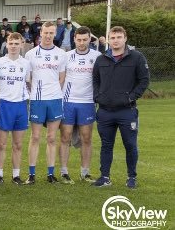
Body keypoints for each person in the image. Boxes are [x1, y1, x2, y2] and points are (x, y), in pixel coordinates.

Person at [91, 26, 149, 189]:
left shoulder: (137, 57)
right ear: (108, 39)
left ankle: (131, 177)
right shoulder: (101, 59)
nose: (115, 40)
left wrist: (130, 97)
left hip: (127, 111)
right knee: (106, 145)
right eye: (113, 37)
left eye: (119, 37)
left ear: (125, 38)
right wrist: (98, 96)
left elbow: (144, 81)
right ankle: (104, 177)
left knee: (130, 145)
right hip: (105, 111)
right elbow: (95, 79)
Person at [24, 21, 66, 184]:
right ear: (41, 33)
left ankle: (50, 174)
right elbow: (29, 80)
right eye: (46, 32)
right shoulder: (31, 54)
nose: (48, 36)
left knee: (51, 138)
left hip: (55, 99)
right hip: (37, 100)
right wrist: (37, 91)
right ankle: (32, 174)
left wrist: (53, 90)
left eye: (51, 33)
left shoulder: (61, 54)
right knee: (35, 137)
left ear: (55, 33)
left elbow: (62, 78)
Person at [59, 27, 102, 184]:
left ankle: (85, 172)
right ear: (74, 39)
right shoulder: (66, 56)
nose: (82, 42)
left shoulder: (97, 56)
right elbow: (60, 78)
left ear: (90, 39)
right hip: (68, 101)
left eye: (85, 39)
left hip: (87, 102)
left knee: (86, 138)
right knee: (65, 137)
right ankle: (64, 172)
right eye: (79, 40)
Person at [0, 33, 31, 185]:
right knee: (1, 144)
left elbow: (28, 81)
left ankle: (16, 175)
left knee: (18, 144)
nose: (14, 46)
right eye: (11, 43)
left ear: (21, 44)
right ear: (7, 44)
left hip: (21, 105)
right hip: (4, 104)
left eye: (17, 43)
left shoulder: (26, 63)